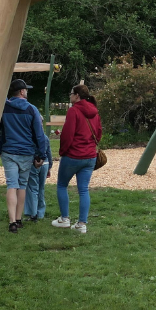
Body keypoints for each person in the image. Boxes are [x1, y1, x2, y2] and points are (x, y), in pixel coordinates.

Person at [0, 79, 48, 233]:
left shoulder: (3, 108)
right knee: (22, 185)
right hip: (26, 153)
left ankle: (11, 222)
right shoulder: (31, 109)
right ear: (22, 92)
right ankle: (18, 219)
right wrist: (41, 155)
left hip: (8, 151)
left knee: (12, 184)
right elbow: (39, 135)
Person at [52, 84, 100, 234]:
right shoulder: (94, 112)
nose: (70, 96)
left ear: (77, 96)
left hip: (73, 155)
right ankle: (81, 224)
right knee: (83, 190)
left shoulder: (73, 111)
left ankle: (65, 219)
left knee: (61, 185)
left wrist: (63, 151)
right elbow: (98, 133)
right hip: (90, 156)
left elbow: (67, 135)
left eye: (71, 93)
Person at [23, 129, 53, 223]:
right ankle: (40, 213)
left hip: (34, 163)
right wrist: (49, 167)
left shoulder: (29, 136)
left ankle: (33, 213)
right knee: (41, 188)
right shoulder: (45, 137)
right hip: (45, 163)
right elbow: (49, 153)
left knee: (32, 189)